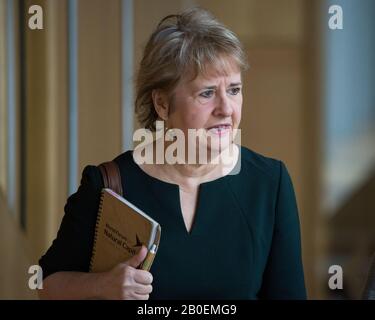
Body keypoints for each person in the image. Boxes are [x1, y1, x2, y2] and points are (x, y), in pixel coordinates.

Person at [38, 7, 306, 300]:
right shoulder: (109, 186)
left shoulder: (269, 183)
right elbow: (45, 283)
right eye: (206, 93)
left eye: (234, 89)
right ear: (162, 104)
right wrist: (103, 286)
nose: (226, 109)